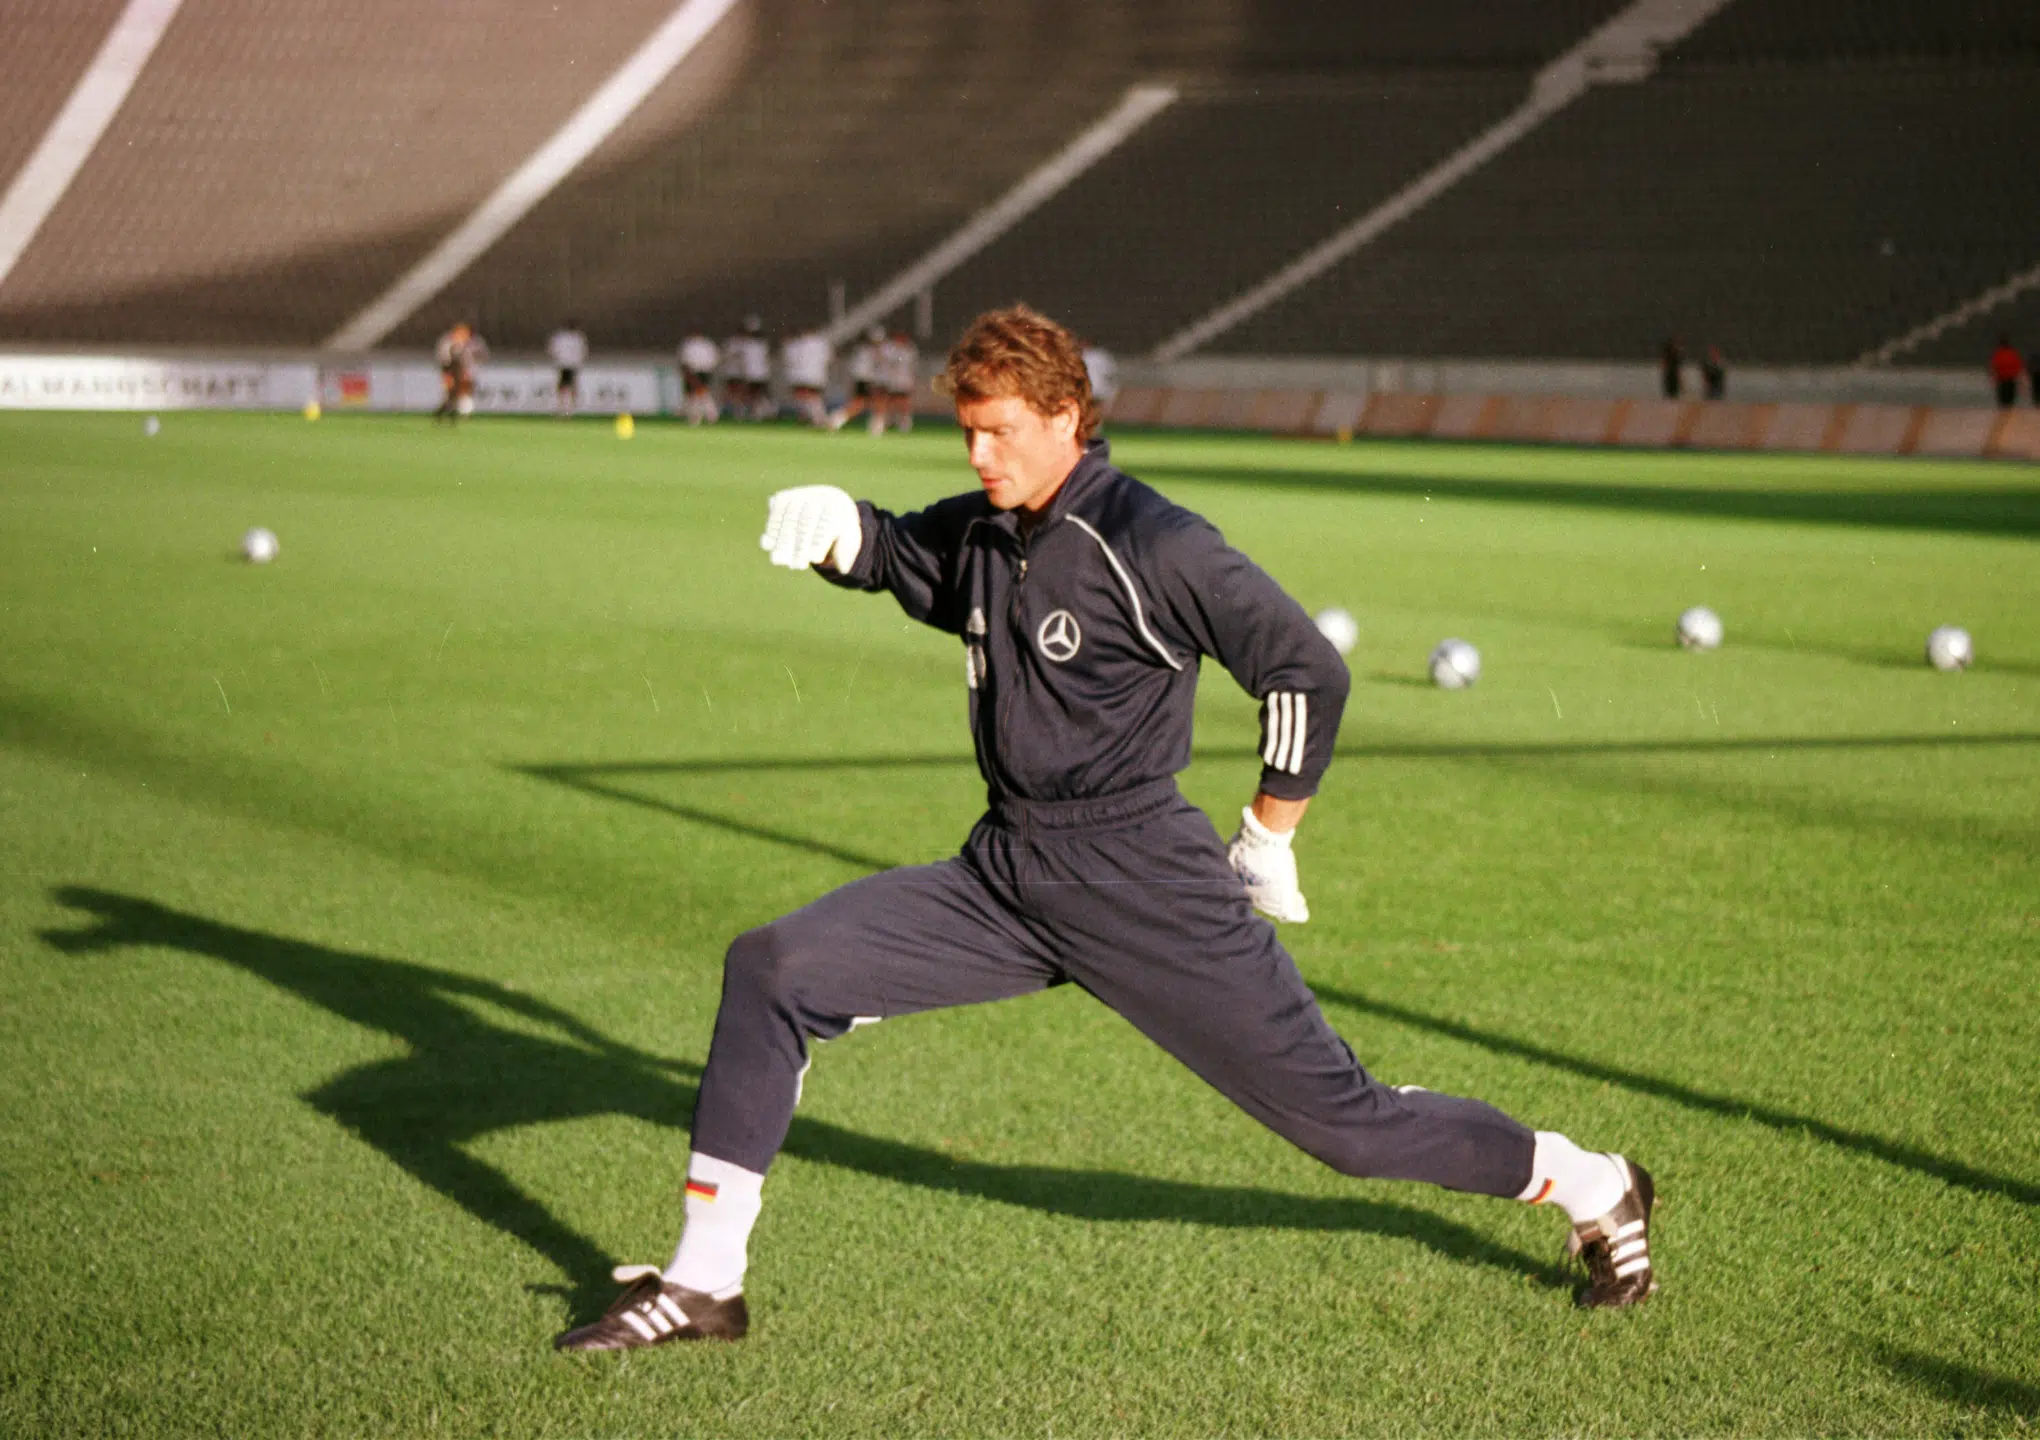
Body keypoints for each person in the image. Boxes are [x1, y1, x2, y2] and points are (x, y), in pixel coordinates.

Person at [552, 305, 1661, 1353]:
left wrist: (1268, 832)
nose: (980, 457)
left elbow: (1305, 671)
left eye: (1000, 433)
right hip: (1007, 874)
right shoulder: (989, 530)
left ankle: (1596, 1185)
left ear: (1068, 420)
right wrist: (842, 529)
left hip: (1144, 883)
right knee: (775, 967)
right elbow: (904, 557)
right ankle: (704, 1285)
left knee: (1349, 1128)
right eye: (969, 433)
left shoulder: (1153, 539)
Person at [827, 326, 884, 431]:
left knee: (866, 403)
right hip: (866, 379)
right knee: (865, 403)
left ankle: (838, 419)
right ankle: (837, 419)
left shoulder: (861, 349)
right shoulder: (869, 351)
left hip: (862, 379)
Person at [433, 321, 487, 424]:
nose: (464, 334)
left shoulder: (474, 343)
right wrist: (447, 374)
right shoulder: (448, 343)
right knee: (450, 394)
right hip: (451, 371)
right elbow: (443, 360)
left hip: (465, 372)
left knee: (464, 391)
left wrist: (472, 367)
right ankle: (441, 413)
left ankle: (459, 414)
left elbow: (482, 356)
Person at [781, 328, 833, 427]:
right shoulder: (822, 343)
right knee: (813, 397)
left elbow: (793, 359)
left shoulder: (800, 343)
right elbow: (829, 359)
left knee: (805, 397)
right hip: (818, 375)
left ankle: (818, 419)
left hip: (804, 375)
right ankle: (816, 419)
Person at [875, 326, 920, 434]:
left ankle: (905, 424)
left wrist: (913, 380)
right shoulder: (889, 348)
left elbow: (912, 366)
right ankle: (883, 423)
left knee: (903, 403)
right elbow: (881, 360)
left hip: (904, 380)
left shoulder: (910, 349)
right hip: (890, 380)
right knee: (885, 401)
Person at [548, 320, 589, 418]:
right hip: (570, 365)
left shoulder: (562, 337)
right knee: (569, 388)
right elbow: (583, 351)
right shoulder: (578, 337)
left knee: (564, 388)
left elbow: (552, 350)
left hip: (564, 364)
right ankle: (567, 410)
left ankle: (564, 409)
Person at [678, 332, 720, 424]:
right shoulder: (690, 343)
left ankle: (709, 414)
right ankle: (699, 415)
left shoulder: (704, 344)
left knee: (699, 392)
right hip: (695, 370)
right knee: (693, 394)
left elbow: (714, 359)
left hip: (701, 371)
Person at [1990, 335, 2023, 408]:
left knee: (2003, 403)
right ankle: (2008, 417)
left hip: (2002, 380)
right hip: (2011, 380)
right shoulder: (2013, 353)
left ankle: (2003, 417)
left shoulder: (1998, 354)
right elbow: (2018, 367)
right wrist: (2020, 381)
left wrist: (1993, 379)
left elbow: (1994, 368)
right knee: (2010, 402)